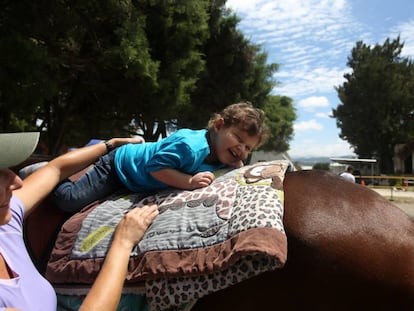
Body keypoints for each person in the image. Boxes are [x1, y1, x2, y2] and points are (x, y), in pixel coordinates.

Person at [0, 132, 159, 311]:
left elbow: (55, 169)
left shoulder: (5, 224)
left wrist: (109, 146)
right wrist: (123, 242)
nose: (17, 182)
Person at [52, 102, 269, 212]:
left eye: (248, 147)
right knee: (69, 201)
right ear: (220, 125)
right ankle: (51, 171)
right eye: (238, 138)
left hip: (137, 178)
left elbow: (235, 162)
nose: (241, 149)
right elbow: (155, 167)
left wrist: (236, 161)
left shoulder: (221, 153)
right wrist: (189, 182)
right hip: (120, 167)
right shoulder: (190, 147)